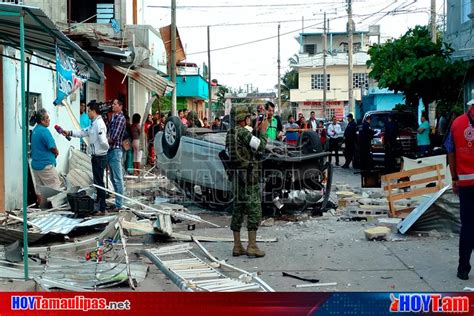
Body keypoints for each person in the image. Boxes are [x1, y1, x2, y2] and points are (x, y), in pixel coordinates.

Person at [226, 105, 268, 258]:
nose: (250, 119)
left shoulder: (231, 134)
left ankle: (237, 246)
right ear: (244, 119)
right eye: (248, 117)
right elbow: (261, 146)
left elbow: (247, 145)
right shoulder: (243, 132)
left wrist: (255, 130)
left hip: (237, 176)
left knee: (238, 209)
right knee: (254, 210)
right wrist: (263, 131)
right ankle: (252, 246)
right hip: (249, 177)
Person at [445, 99, 474, 280]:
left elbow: (450, 151)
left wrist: (454, 177)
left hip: (466, 183)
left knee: (468, 226)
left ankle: (463, 268)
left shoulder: (457, 124)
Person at [62, 102, 109, 213]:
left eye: (88, 111)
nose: (87, 113)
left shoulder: (99, 124)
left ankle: (102, 207)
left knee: (99, 182)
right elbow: (83, 132)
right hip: (96, 156)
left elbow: (103, 141)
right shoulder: (93, 123)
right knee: (97, 182)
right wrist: (69, 132)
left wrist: (105, 149)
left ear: (93, 111)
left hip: (100, 156)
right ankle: (99, 204)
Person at [31, 109, 62, 206]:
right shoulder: (44, 131)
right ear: (42, 121)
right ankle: (56, 211)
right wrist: (56, 152)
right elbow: (52, 147)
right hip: (46, 165)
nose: (49, 120)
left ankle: (42, 210)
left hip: (36, 165)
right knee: (55, 188)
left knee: (40, 189)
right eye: (47, 118)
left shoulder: (35, 130)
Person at [107, 99, 126, 211]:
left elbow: (114, 137)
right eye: (112, 104)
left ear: (120, 106)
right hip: (111, 150)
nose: (112, 106)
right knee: (113, 179)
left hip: (115, 150)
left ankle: (119, 205)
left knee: (118, 179)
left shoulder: (120, 118)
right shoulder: (114, 117)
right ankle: (117, 202)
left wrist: (104, 142)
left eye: (115, 104)